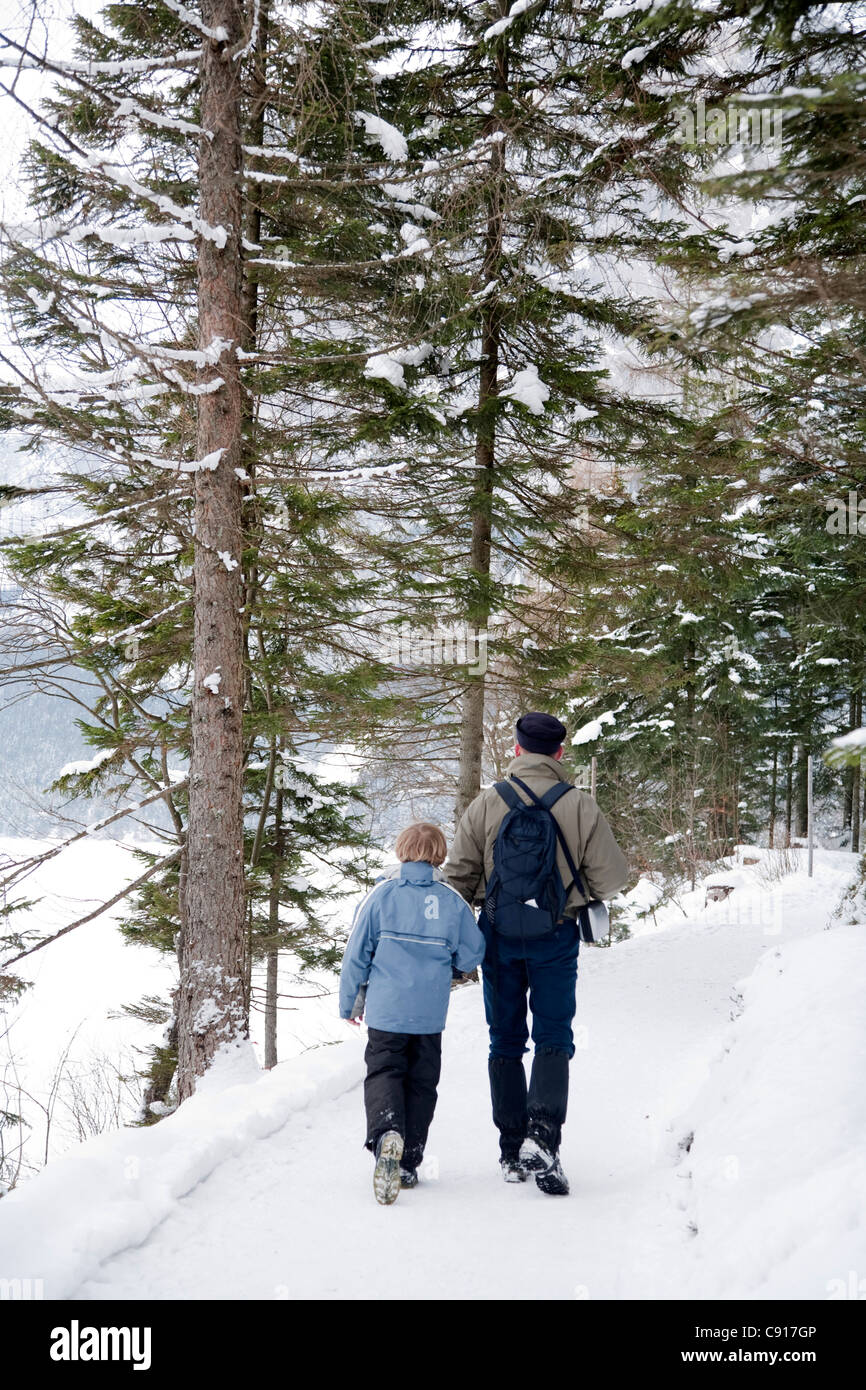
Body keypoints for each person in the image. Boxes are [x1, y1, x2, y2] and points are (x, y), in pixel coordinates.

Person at [444, 712, 628, 1195]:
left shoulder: (488, 802)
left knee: (504, 1041)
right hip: (555, 935)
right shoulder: (580, 805)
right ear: (560, 754)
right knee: (553, 1034)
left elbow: (458, 877)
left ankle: (510, 1150)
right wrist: (574, 888)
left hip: (499, 935)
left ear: (519, 750)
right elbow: (613, 878)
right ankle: (543, 1137)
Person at [339, 821, 486, 1205]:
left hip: (387, 1012)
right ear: (440, 856)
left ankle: (388, 1132)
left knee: (385, 1070)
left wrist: (349, 1002)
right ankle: (408, 1162)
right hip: (429, 1015)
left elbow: (356, 953)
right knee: (422, 1082)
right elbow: (473, 952)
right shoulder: (453, 900)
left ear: (401, 850)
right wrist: (452, 966)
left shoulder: (381, 896)